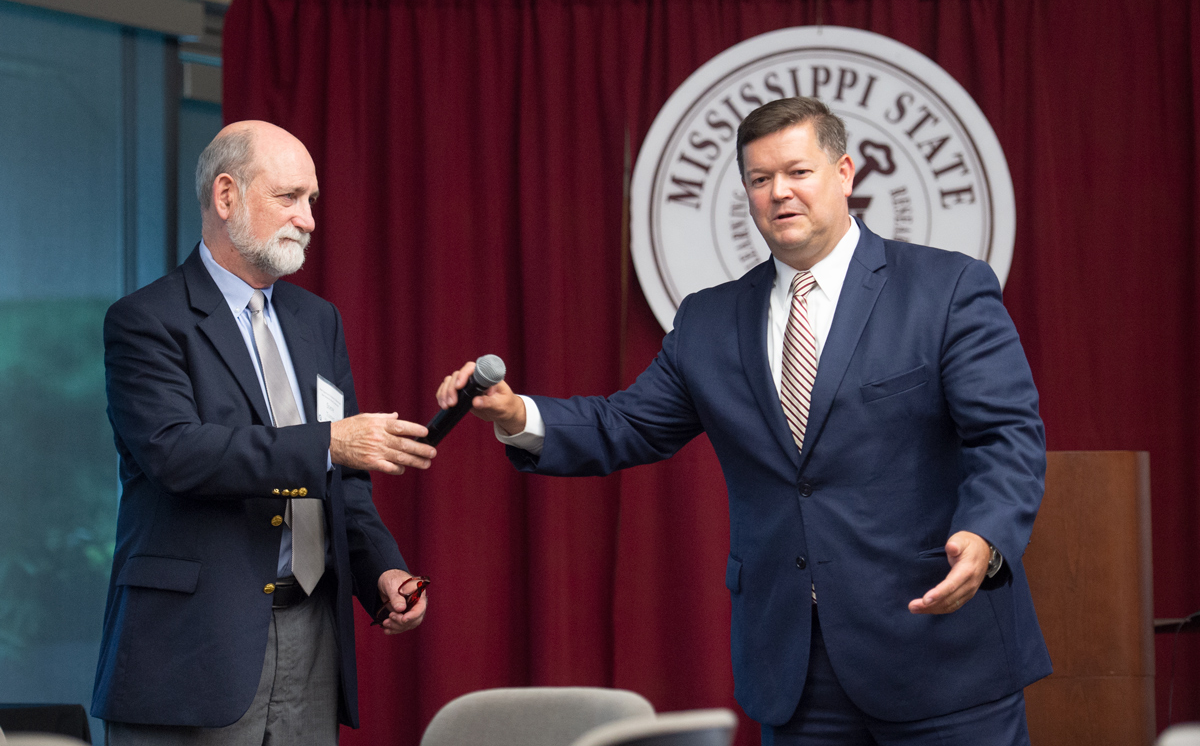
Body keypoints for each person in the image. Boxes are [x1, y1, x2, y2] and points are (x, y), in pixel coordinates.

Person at [438, 97, 1051, 744]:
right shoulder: (709, 319)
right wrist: (515, 412)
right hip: (795, 671)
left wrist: (985, 534)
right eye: (759, 179)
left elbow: (1007, 435)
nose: (778, 192)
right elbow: (627, 423)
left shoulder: (947, 287)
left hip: (940, 653)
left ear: (845, 172)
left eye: (798, 172)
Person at [92, 121, 437, 745]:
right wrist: (330, 441)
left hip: (313, 639)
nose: (308, 220)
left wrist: (381, 573)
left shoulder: (317, 321)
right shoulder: (146, 321)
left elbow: (343, 482)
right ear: (226, 197)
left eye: (312, 201)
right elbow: (177, 453)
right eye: (289, 197)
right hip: (193, 648)